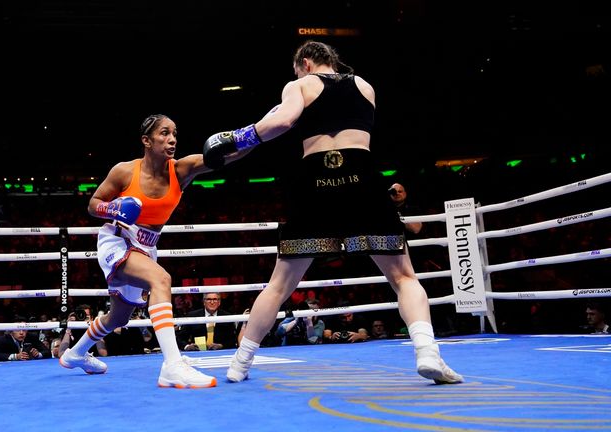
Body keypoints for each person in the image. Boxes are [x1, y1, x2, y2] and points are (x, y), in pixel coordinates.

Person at [203, 40, 463, 385]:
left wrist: (238, 137)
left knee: (280, 285)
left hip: (316, 181)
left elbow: (283, 120)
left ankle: (240, 363)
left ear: (306, 63)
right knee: (403, 278)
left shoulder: (300, 84)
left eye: (297, 70)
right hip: (362, 177)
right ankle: (427, 353)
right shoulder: (365, 86)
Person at [59, 113, 248, 389]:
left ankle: (75, 353)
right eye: (164, 133)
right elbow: (93, 203)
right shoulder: (124, 171)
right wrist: (112, 208)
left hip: (147, 246)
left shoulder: (181, 170)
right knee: (161, 280)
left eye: (174, 133)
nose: (172, 139)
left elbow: (223, 157)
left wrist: (255, 136)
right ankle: (172, 365)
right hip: (118, 239)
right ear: (146, 140)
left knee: (119, 316)